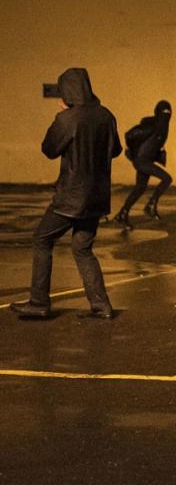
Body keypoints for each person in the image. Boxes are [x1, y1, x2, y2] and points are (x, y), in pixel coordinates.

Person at [10, 68, 121, 320]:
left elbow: (49, 149)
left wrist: (61, 117)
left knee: (41, 239)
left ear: (68, 92)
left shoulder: (68, 119)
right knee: (82, 248)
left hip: (71, 197)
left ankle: (39, 303)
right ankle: (101, 305)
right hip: (97, 197)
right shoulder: (106, 116)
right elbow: (115, 150)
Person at [112, 100, 173, 230]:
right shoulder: (152, 125)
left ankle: (122, 214)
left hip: (146, 161)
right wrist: (133, 153)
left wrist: (160, 151)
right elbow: (129, 135)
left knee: (140, 188)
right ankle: (150, 205)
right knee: (167, 179)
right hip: (141, 161)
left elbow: (156, 142)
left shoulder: (163, 127)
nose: (166, 115)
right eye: (164, 112)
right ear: (158, 112)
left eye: (169, 112)